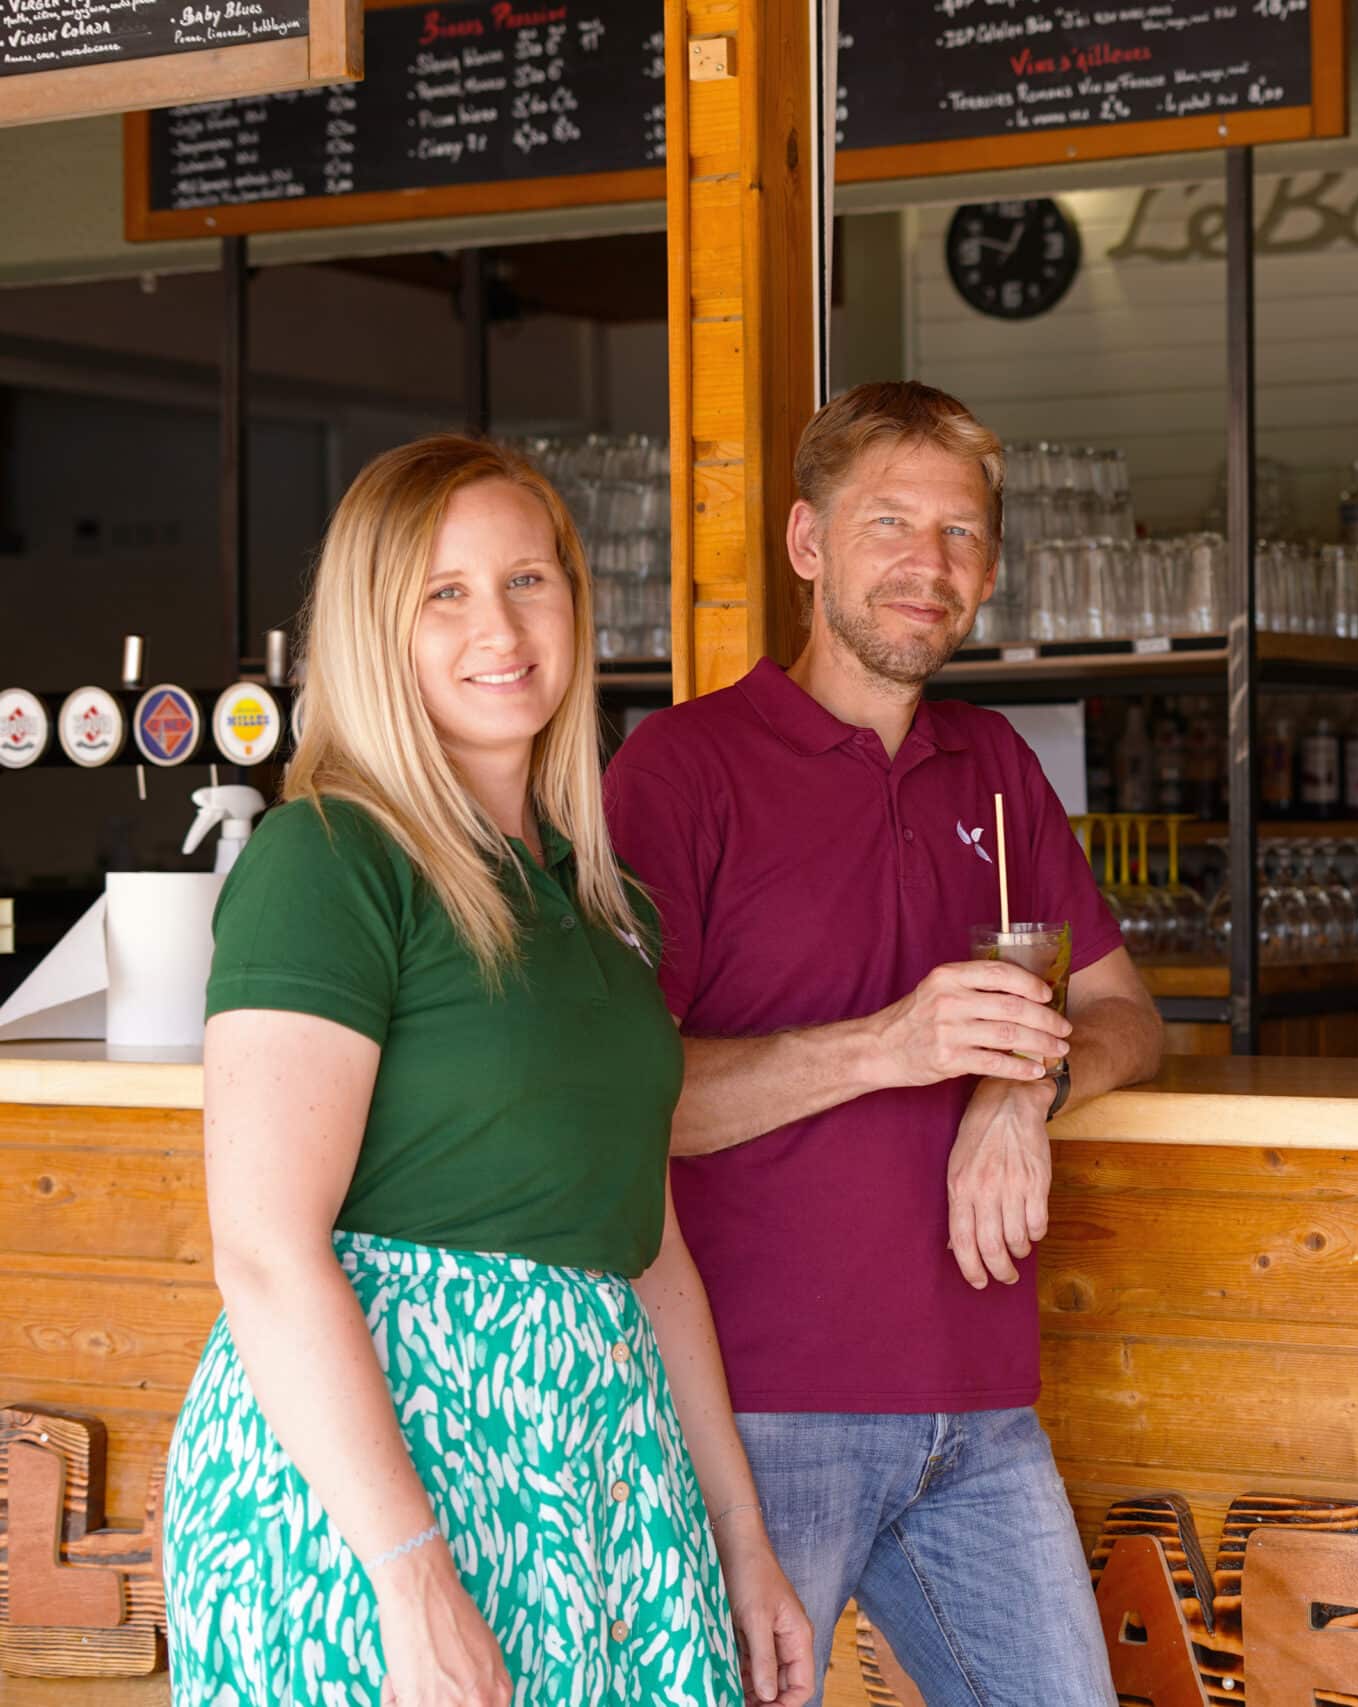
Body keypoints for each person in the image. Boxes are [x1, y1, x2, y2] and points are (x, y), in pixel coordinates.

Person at [162, 436, 813, 1707]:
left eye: (529, 579)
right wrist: (408, 1572)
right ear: (370, 630)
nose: (499, 626)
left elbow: (646, 1240)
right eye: (442, 593)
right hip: (374, 1487)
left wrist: (743, 1546)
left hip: (599, 1454)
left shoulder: (599, 895)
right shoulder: (329, 859)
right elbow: (264, 1248)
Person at [603, 381, 1164, 1705]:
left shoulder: (996, 767)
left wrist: (1018, 1089)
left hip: (980, 1410)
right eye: (892, 523)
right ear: (807, 542)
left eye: (963, 534)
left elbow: (1129, 1011)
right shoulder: (677, 772)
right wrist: (889, 1045)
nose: (932, 565)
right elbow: (623, 1098)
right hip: (753, 1407)